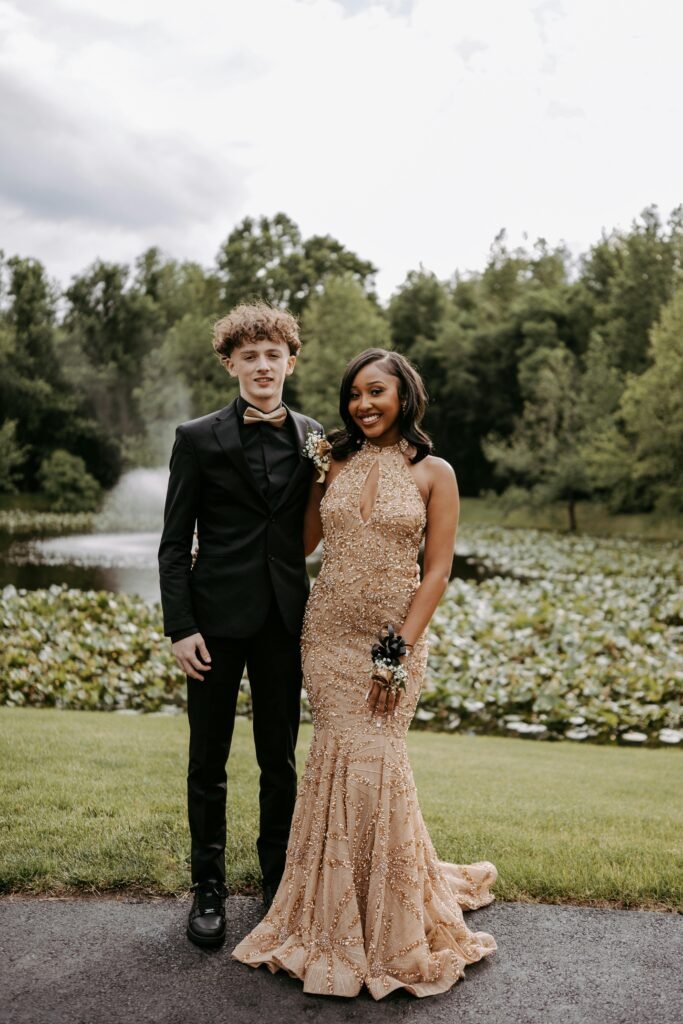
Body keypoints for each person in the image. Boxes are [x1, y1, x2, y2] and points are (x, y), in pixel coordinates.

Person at [232, 348, 497, 999]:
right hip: (326, 637)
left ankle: (393, 918)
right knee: (337, 758)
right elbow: (300, 543)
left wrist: (397, 651)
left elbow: (435, 572)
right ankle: (328, 913)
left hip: (391, 639)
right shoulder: (332, 460)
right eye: (353, 394)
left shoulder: (436, 473)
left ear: (404, 395)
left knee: (377, 761)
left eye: (374, 392)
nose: (362, 405)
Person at [158, 303, 323, 949]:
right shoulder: (196, 438)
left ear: (290, 360)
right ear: (231, 363)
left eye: (272, 353)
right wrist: (180, 627)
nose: (262, 365)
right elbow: (174, 544)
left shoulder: (316, 437)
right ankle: (208, 889)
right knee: (208, 761)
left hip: (285, 621)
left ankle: (277, 882)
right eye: (248, 355)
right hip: (213, 624)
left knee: (279, 760)